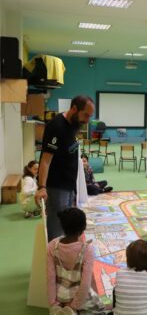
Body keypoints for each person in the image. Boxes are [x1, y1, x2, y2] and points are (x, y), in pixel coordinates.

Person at [36, 95, 95, 241]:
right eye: (85, 115)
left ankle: (65, 254)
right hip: (57, 186)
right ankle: (54, 258)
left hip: (70, 185)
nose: (87, 120)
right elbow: (45, 160)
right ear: (74, 109)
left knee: (67, 227)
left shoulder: (75, 124)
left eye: (90, 116)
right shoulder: (56, 126)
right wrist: (42, 187)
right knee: (57, 228)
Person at [47, 208, 105, 315]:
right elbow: (85, 284)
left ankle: (62, 312)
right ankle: (75, 314)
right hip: (78, 296)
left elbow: (50, 277)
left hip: (60, 296)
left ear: (62, 227)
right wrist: (73, 306)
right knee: (100, 310)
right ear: (83, 229)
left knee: (63, 311)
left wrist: (53, 303)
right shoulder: (87, 250)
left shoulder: (52, 246)